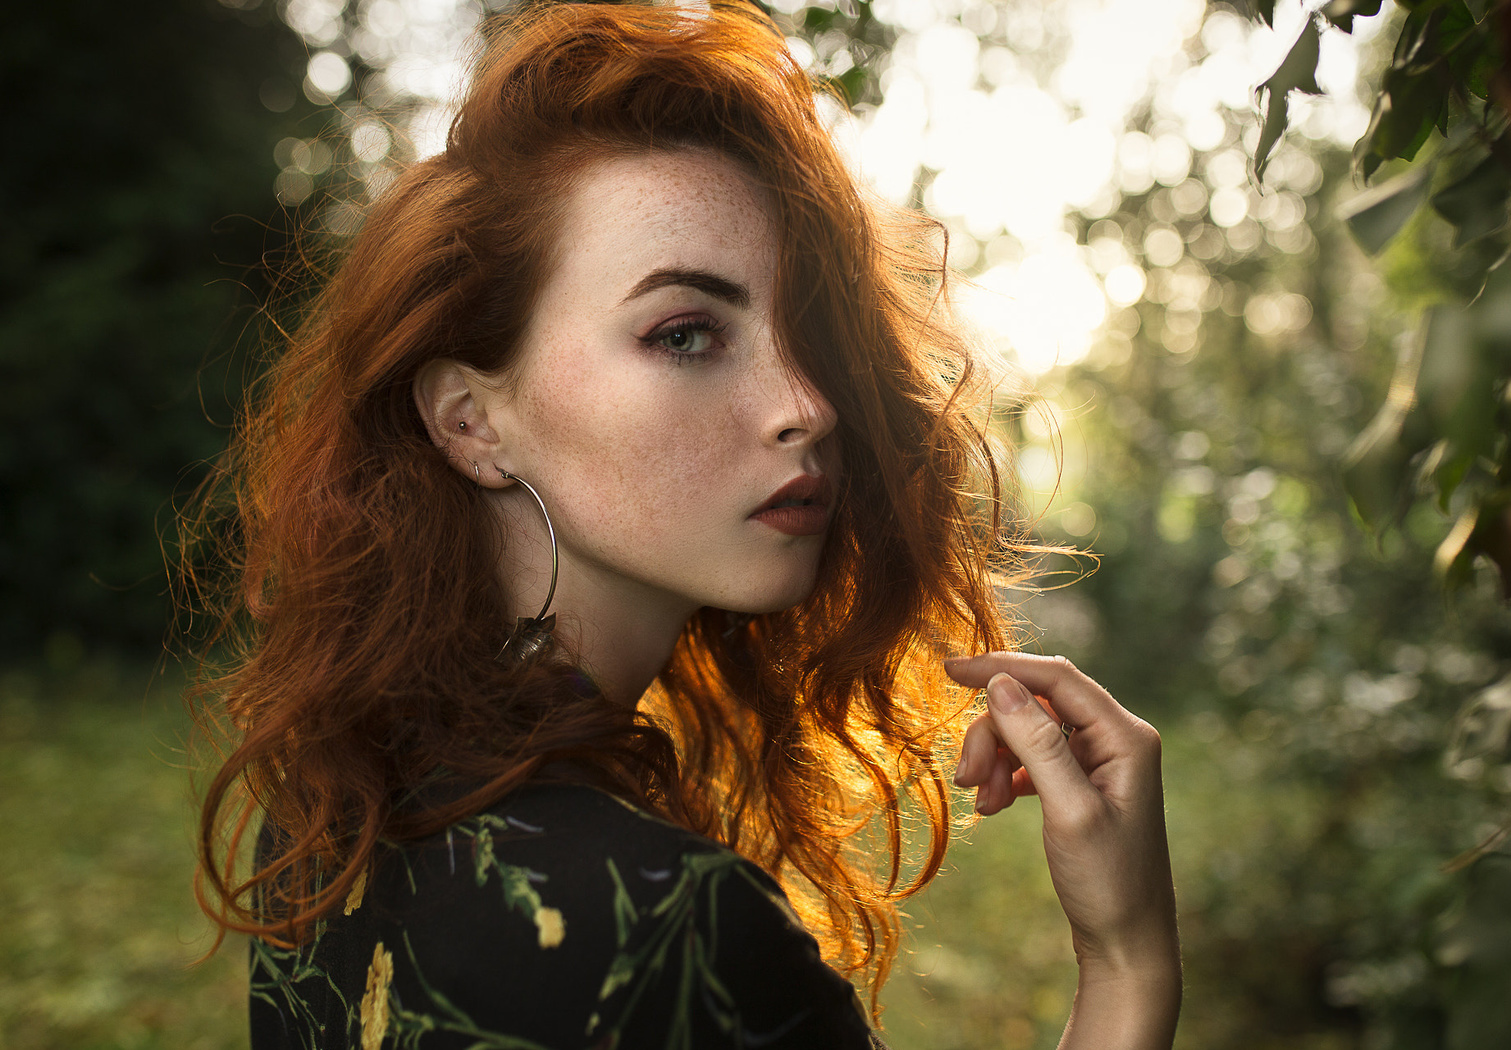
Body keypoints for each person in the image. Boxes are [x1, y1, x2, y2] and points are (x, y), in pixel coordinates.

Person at [184, 3, 1180, 1047]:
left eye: (808, 330)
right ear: (473, 424)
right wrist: (1127, 962)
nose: (809, 401)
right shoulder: (670, 922)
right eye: (688, 332)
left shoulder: (323, 808)